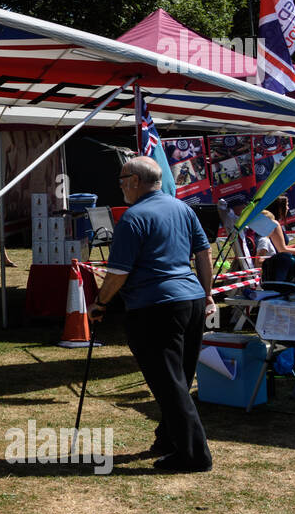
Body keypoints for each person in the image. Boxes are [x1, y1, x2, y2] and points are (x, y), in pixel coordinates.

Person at [88, 156, 215, 472]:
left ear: (134, 181)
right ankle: (169, 438)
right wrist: (208, 293)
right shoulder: (182, 208)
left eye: (121, 180)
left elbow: (117, 272)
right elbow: (204, 252)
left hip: (155, 306)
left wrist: (100, 303)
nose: (120, 186)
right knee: (180, 379)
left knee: (168, 382)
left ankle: (194, 455)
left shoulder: (133, 218)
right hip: (191, 300)